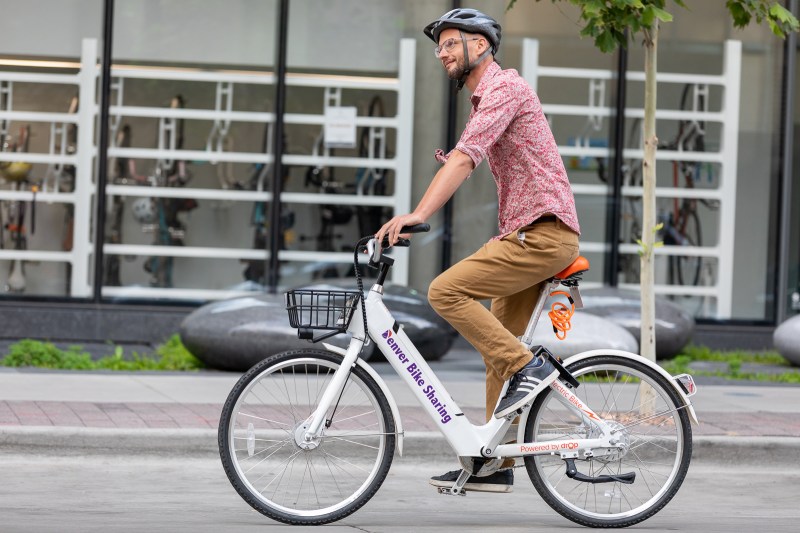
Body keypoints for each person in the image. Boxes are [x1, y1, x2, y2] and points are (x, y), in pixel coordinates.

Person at [376, 8, 581, 493]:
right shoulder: (486, 97)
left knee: (445, 291)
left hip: (543, 234)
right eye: (439, 46)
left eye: (452, 43)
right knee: (497, 354)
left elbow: (467, 158)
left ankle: (529, 368)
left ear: (482, 45)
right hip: (525, 235)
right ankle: (493, 464)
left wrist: (417, 213)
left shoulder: (505, 88)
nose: (442, 52)